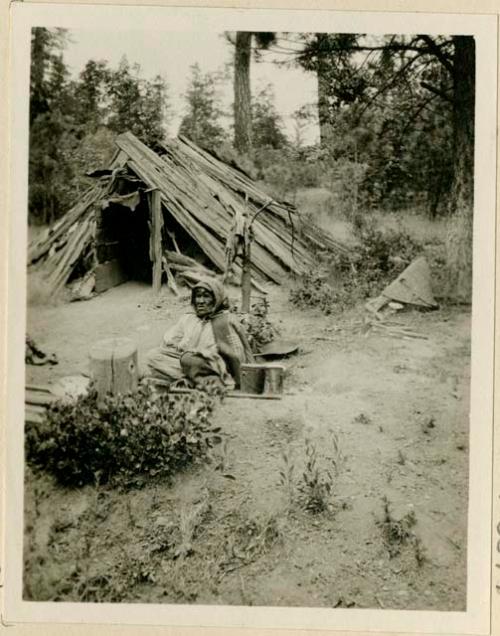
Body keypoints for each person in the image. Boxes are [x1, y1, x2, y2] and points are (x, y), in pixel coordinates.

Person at [145, 278, 253, 390]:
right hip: (185, 363)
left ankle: (193, 380)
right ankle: (194, 380)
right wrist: (179, 346)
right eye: (197, 296)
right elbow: (168, 340)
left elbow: (237, 356)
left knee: (191, 360)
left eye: (206, 296)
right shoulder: (188, 318)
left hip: (212, 366)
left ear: (217, 299)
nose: (200, 301)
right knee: (153, 356)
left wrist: (205, 354)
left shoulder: (225, 321)